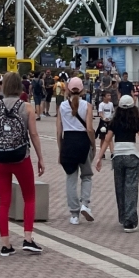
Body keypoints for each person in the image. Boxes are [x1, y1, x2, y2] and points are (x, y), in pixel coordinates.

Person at [0, 71, 45, 255]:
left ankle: (5, 244)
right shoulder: (27, 107)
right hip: (21, 157)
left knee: (4, 202)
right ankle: (28, 238)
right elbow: (33, 134)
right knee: (29, 197)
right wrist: (40, 157)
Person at [95, 94, 139, 231]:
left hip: (117, 157)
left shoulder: (115, 122)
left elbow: (107, 140)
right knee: (131, 188)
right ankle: (130, 221)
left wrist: (99, 158)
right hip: (131, 156)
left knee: (120, 188)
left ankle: (123, 217)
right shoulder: (135, 122)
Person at [56, 77, 95, 225]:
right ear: (82, 90)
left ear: (67, 89)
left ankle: (74, 214)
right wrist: (93, 144)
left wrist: (60, 150)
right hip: (83, 142)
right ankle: (85, 203)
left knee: (71, 178)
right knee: (87, 176)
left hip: (68, 142)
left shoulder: (62, 107)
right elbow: (89, 129)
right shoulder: (87, 106)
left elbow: (58, 131)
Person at [97, 91, 115, 158]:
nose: (109, 97)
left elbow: (112, 112)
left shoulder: (111, 104)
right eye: (108, 95)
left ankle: (112, 152)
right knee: (102, 138)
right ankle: (102, 153)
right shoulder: (101, 104)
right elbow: (100, 113)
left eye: (110, 95)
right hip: (103, 122)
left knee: (110, 137)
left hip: (110, 122)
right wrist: (104, 118)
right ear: (104, 97)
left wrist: (111, 118)